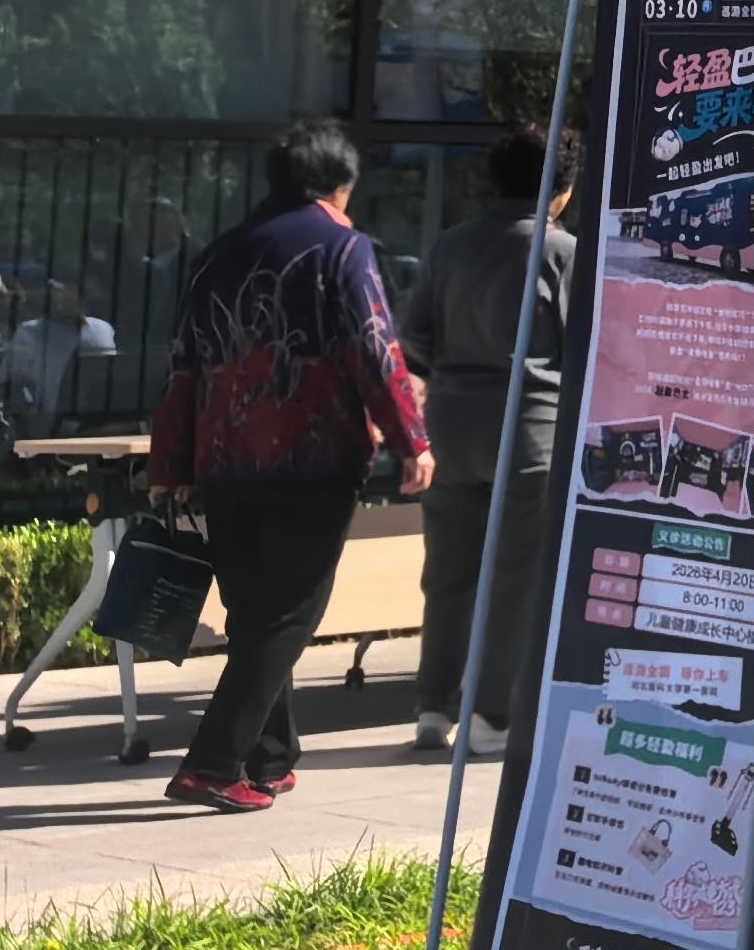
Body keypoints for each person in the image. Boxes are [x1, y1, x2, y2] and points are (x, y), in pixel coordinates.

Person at [144, 119, 427, 812]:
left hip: (224, 460)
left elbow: (183, 368)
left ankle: (270, 757)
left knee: (253, 613)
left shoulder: (217, 254)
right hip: (313, 457)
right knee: (290, 614)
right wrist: (410, 440)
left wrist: (169, 464)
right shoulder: (344, 248)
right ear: (339, 185)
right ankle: (212, 764)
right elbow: (374, 350)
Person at [404, 136, 580, 749]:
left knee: (447, 571)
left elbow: (415, 338)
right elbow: (584, 348)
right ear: (562, 191)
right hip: (530, 423)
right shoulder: (563, 252)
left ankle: (433, 707)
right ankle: (492, 718)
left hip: (451, 422)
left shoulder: (449, 245)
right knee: (516, 575)